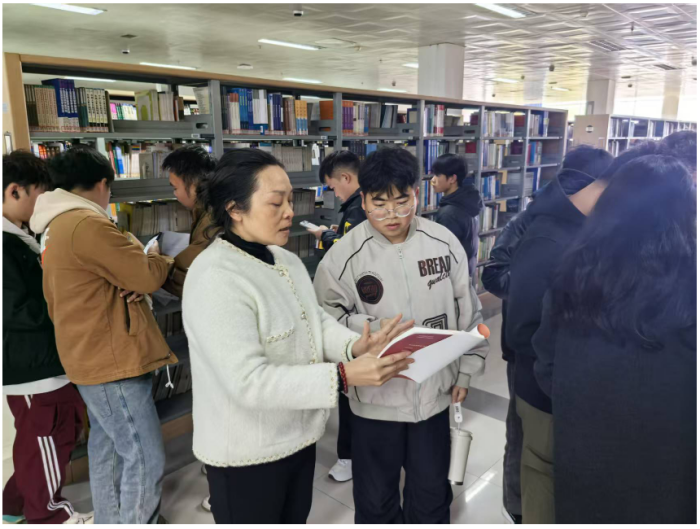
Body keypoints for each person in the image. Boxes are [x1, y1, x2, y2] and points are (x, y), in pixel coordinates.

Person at [181, 148, 416, 525]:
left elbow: (315, 320)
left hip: (298, 437)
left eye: (290, 201)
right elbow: (248, 382)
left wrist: (354, 346)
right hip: (246, 454)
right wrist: (343, 376)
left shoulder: (284, 259)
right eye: (276, 203)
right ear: (234, 208)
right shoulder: (215, 277)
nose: (289, 212)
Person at [313, 147, 490, 524]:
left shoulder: (443, 242)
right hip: (375, 402)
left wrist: (466, 371)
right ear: (363, 199)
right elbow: (325, 321)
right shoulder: (344, 257)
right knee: (376, 501)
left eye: (402, 202)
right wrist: (371, 331)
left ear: (417, 194)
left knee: (431, 495)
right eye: (379, 204)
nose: (392, 215)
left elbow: (468, 310)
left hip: (434, 397)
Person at [505, 140, 669, 524]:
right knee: (542, 492)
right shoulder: (550, 239)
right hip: (547, 395)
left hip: (579, 398)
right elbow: (522, 332)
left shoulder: (598, 231)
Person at [533, 155, 696, 523]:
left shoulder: (571, 274)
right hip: (672, 471)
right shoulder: (690, 288)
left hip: (587, 456)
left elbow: (546, 366)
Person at [29, 147, 176, 524]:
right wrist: (157, 258)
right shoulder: (86, 224)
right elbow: (145, 275)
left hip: (86, 355)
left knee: (108, 448)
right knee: (144, 456)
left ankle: (112, 520)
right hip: (111, 360)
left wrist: (129, 272)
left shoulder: (54, 225)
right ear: (100, 184)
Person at [480, 144, 613, 524]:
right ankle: (517, 508)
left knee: (545, 440)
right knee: (522, 432)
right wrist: (538, 290)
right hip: (527, 350)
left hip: (558, 352)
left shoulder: (589, 221)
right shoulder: (534, 221)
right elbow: (494, 275)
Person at [2, 151, 93, 525]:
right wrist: (67, 306)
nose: (44, 204)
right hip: (31, 364)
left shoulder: (19, 234)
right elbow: (16, 309)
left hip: (40, 360)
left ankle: (14, 505)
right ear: (14, 191)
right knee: (49, 436)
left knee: (38, 437)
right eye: (40, 195)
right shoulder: (4, 244)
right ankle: (48, 515)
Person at [306, 149, 366, 483]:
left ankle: (350, 457)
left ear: (346, 177)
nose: (334, 192)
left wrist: (326, 237)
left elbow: (348, 253)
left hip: (352, 309)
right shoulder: (360, 206)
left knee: (350, 384)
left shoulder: (358, 208)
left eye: (333, 186)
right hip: (358, 308)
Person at [160, 144, 217, 298]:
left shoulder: (212, 221)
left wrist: (155, 258)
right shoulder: (209, 208)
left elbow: (185, 280)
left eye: (175, 188)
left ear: (193, 185)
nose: (175, 194)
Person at [430, 153, 483, 277]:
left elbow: (444, 255)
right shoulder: (468, 202)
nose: (432, 180)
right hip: (466, 271)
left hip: (453, 277)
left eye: (437, 175)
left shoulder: (449, 214)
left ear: (452, 179)